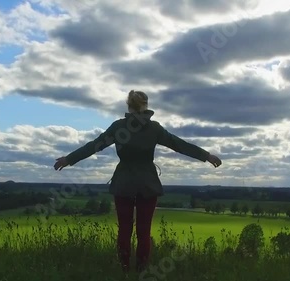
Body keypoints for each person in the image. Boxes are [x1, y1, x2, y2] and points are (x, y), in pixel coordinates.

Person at [54, 90, 222, 273]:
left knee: (124, 231)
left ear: (128, 106)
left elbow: (94, 145)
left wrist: (69, 159)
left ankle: (124, 271)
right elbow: (179, 144)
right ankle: (141, 272)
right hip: (147, 185)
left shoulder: (118, 127)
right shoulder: (154, 128)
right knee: (144, 232)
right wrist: (206, 156)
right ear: (146, 106)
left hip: (123, 183)